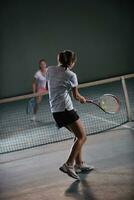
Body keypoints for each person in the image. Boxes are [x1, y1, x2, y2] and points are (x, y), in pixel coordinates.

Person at [46, 50, 94, 180]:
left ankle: (79, 164)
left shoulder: (49, 70)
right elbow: (76, 96)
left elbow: (49, 86)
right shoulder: (71, 75)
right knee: (82, 136)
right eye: (74, 61)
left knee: (77, 135)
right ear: (71, 62)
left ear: (60, 59)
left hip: (55, 111)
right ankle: (69, 164)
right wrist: (82, 99)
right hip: (66, 110)